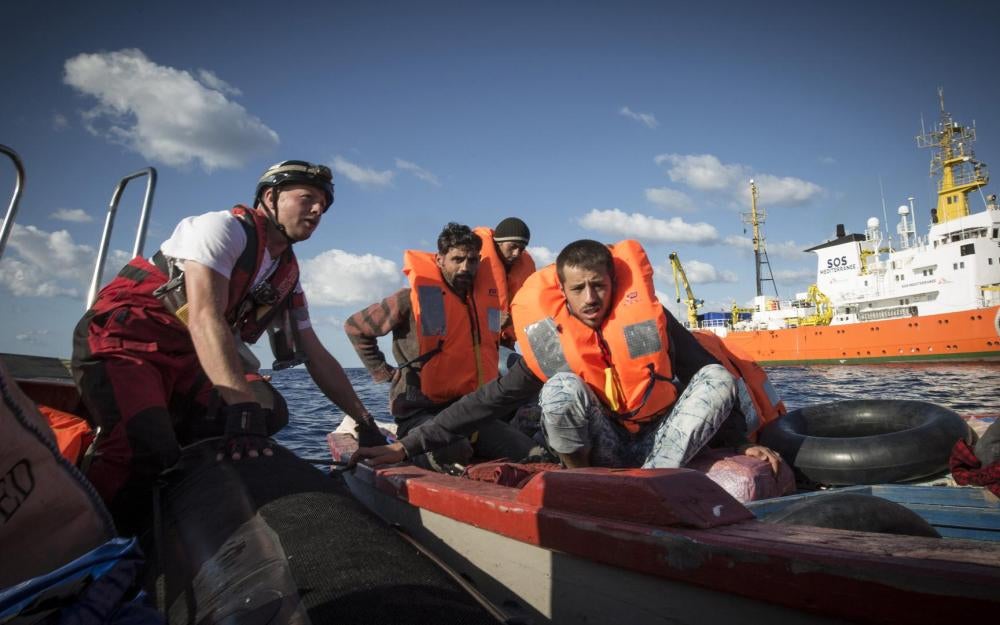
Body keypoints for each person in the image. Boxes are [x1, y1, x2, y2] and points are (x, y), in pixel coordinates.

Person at [72, 160, 382, 531]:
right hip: (125, 342)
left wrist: (365, 421)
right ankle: (92, 541)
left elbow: (314, 352)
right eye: (307, 198)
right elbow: (205, 317)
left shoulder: (287, 273)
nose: (317, 210)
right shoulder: (221, 230)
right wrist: (241, 406)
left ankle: (184, 483)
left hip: (187, 359)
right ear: (271, 196)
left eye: (324, 204)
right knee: (142, 450)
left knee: (271, 410)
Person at [350, 239, 782, 474]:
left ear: (612, 282)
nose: (591, 298)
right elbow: (487, 402)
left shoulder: (652, 321)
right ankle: (580, 482)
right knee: (560, 387)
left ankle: (654, 484)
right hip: (600, 449)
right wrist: (405, 447)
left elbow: (701, 374)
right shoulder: (553, 343)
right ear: (564, 292)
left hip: (659, 444)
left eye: (598, 285)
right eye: (579, 289)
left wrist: (742, 443)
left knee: (719, 378)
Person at [343, 222, 543, 470]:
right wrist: (383, 372)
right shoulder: (408, 299)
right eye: (457, 259)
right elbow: (355, 327)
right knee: (452, 450)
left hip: (470, 414)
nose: (465, 267)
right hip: (420, 414)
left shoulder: (485, 303)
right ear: (439, 259)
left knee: (534, 454)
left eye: (472, 261)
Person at [473, 217, 535, 347]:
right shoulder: (472, 262)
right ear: (498, 242)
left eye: (521, 249)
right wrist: (491, 321)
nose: (517, 253)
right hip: (476, 340)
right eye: (512, 247)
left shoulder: (525, 266)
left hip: (507, 343)